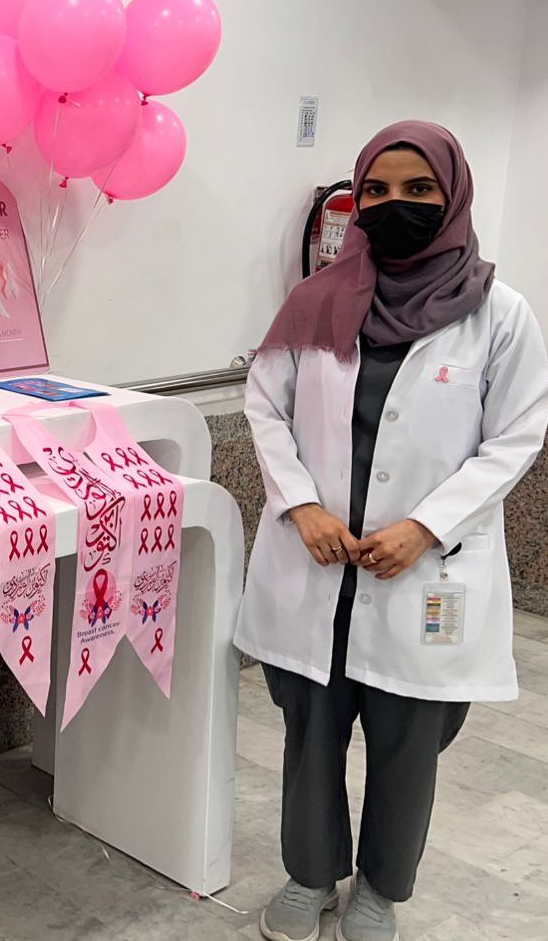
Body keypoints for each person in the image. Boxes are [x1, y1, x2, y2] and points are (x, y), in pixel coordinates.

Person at [235, 122, 548, 941]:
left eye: (418, 190)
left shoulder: (499, 314)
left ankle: (381, 887)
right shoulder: (316, 300)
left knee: (408, 743)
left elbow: (516, 436)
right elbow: (264, 405)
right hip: (319, 562)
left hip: (419, 570)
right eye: (376, 190)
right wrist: (300, 503)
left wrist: (427, 526)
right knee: (311, 728)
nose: (394, 205)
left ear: (453, 197)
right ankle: (310, 875)